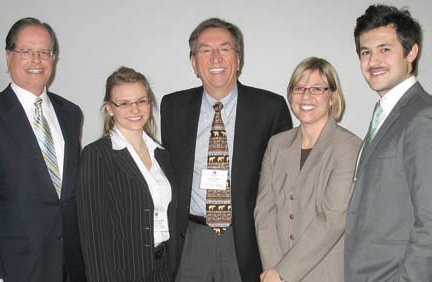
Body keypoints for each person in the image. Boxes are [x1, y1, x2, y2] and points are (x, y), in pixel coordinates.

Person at [160, 18, 292, 282]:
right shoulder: (173, 107)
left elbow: (284, 185)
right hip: (190, 239)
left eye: (225, 48)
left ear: (238, 59)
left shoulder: (270, 108)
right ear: (194, 63)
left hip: (245, 241)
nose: (215, 58)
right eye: (205, 50)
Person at [0, 17, 86, 282]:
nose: (37, 60)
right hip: (16, 269)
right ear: (9, 57)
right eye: (26, 52)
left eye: (45, 52)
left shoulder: (70, 113)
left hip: (70, 265)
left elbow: (69, 196)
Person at [345, 4, 432, 281]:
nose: (373, 61)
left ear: (411, 52)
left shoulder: (422, 116)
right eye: (365, 52)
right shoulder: (385, 113)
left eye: (385, 49)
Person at [254, 57, 361, 282]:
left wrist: (283, 272)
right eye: (299, 88)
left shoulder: (349, 147)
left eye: (317, 89)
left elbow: (332, 220)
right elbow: (264, 212)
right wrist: (274, 270)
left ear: (332, 97)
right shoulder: (276, 145)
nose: (306, 96)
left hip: (326, 273)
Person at [77, 66, 177, 282]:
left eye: (141, 101)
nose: (135, 109)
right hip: (123, 273)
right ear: (110, 108)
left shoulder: (162, 154)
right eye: (124, 103)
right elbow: (93, 235)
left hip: (165, 269)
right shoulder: (97, 155)